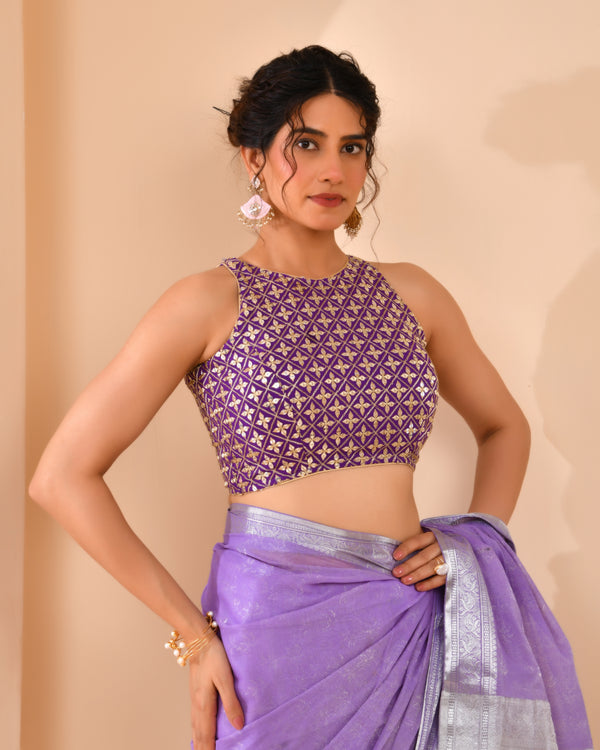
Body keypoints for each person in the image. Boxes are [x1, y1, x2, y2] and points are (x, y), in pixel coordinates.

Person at [30, 46, 592, 749]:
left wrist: (473, 539)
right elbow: (61, 477)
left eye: (352, 147)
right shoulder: (207, 302)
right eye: (306, 144)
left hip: (412, 622)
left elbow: (504, 425)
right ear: (253, 158)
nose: (334, 170)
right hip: (273, 644)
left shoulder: (413, 295)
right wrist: (193, 636)